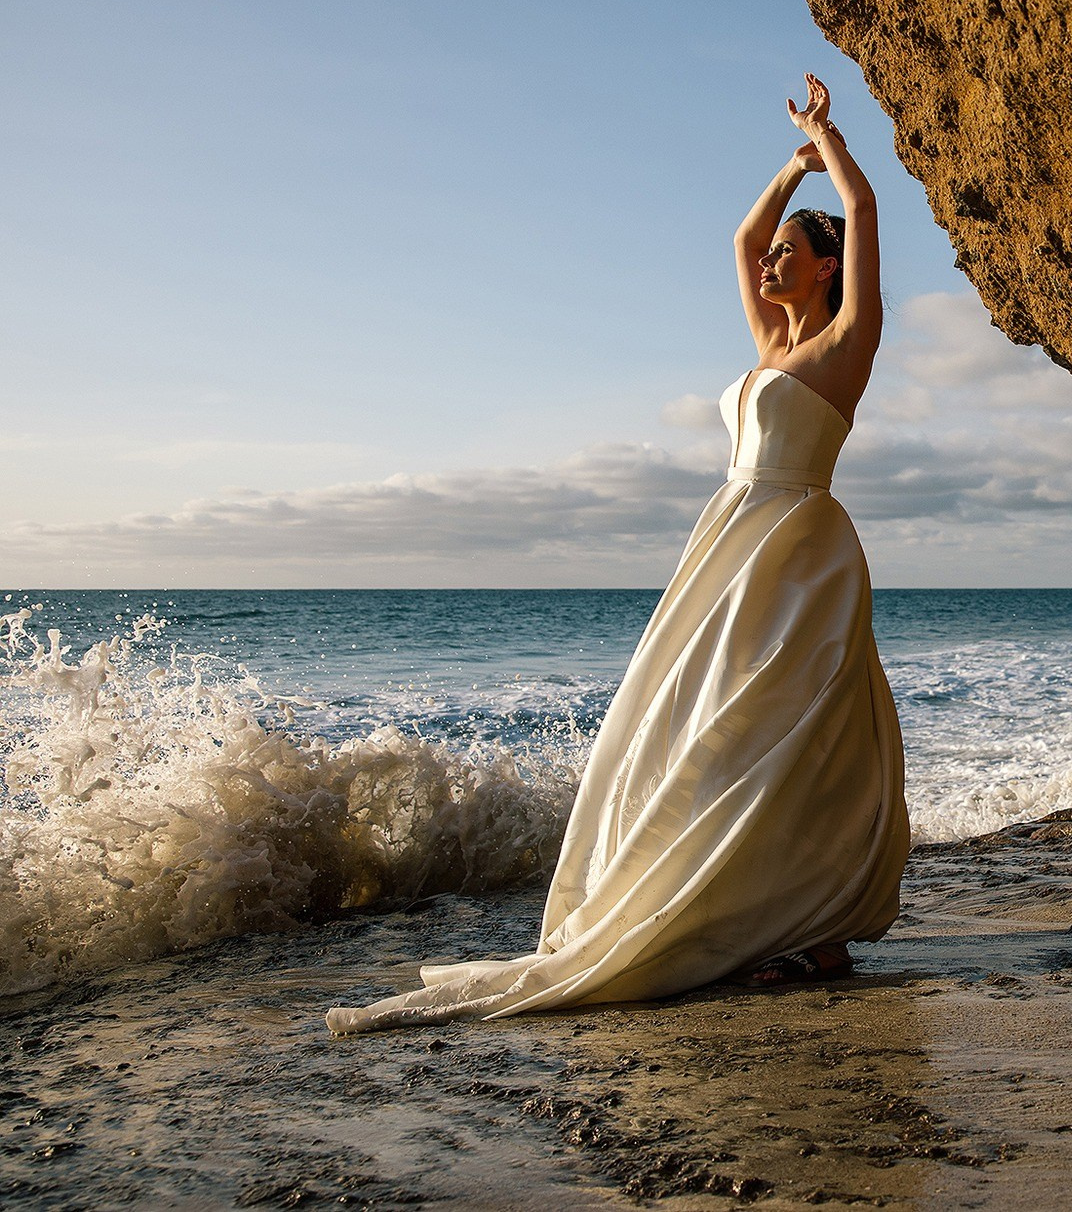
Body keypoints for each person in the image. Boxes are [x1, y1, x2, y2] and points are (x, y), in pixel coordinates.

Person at [326, 74, 911, 1035]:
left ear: (826, 269)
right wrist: (787, 165)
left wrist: (832, 147)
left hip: (800, 547)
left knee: (788, 726)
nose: (767, 264)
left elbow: (865, 206)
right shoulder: (770, 343)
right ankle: (793, 924)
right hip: (732, 546)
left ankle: (814, 927)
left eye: (787, 255)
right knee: (712, 725)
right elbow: (733, 238)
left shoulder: (850, 341)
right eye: (772, 256)